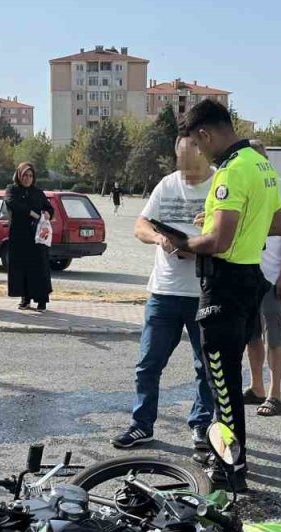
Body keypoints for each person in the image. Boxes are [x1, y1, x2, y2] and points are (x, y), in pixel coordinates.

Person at [176, 100, 281, 492]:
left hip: (222, 286)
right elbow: (276, 224)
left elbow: (219, 242)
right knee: (228, 382)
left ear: (205, 134)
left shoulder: (232, 171)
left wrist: (187, 242)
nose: (201, 154)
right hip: (248, 281)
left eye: (199, 146)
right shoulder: (261, 165)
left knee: (223, 388)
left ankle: (230, 474)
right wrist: (223, 223)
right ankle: (231, 467)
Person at [111, 136, 215, 455]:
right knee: (148, 363)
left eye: (190, 162)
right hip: (164, 291)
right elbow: (140, 224)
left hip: (204, 292)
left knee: (206, 366)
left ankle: (201, 425)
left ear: (203, 153)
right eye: (179, 161)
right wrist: (159, 238)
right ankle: (142, 424)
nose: (185, 170)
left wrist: (197, 244)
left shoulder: (220, 183)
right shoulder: (167, 184)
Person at [244, 140, 281, 418]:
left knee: (273, 336)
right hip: (246, 275)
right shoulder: (244, 187)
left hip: (272, 276)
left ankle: (275, 393)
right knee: (251, 335)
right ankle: (256, 387)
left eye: (260, 160)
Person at [4, 162, 55, 312]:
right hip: (19, 236)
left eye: (30, 175)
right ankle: (25, 299)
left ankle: (41, 300)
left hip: (37, 238)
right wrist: (32, 213)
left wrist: (47, 213)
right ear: (19, 175)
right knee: (21, 268)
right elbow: (13, 203)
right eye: (25, 175)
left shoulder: (37, 192)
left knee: (39, 268)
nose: (27, 178)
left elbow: (49, 208)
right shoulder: (11, 189)